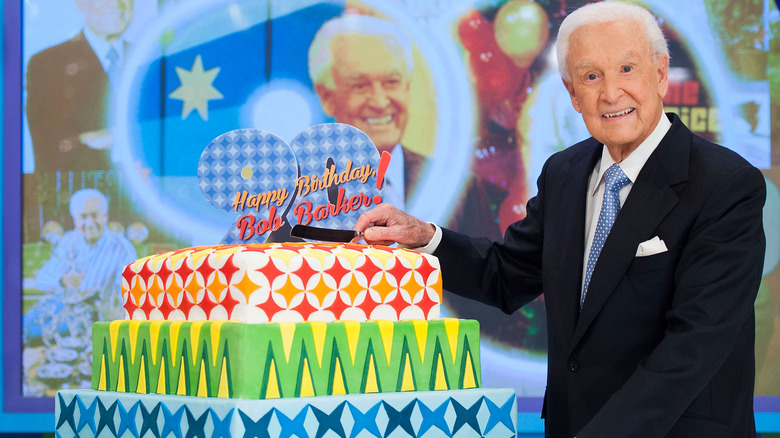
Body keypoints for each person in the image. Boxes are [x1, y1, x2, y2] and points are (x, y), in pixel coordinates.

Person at [354, 3, 765, 437]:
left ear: (661, 74)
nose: (610, 93)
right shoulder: (564, 172)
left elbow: (694, 346)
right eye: (591, 76)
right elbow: (506, 274)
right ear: (571, 93)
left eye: (627, 68)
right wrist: (424, 237)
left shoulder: (726, 185)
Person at [306, 14, 501, 239]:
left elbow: (487, 270)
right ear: (325, 96)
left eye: (392, 82)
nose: (379, 102)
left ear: (407, 87)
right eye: (359, 85)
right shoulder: (291, 192)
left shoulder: (462, 190)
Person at [26, 0, 134, 172]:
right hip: (79, 193)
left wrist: (110, 138)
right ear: (80, 4)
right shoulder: (48, 64)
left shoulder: (153, 61)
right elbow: (51, 147)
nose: (116, 3)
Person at [34, 189, 137, 321]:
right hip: (68, 322)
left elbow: (132, 292)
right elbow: (41, 280)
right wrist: (63, 279)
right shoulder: (68, 241)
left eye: (94, 216)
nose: (89, 223)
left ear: (105, 216)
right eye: (83, 217)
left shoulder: (122, 247)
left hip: (103, 323)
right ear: (75, 220)